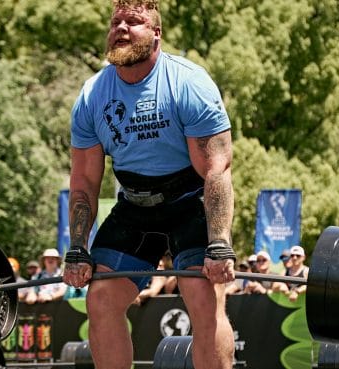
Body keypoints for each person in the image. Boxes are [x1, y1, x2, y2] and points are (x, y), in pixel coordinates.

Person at [63, 1, 236, 368]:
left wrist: (219, 242)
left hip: (189, 202)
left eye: (134, 22)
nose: (121, 28)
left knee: (204, 300)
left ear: (156, 33)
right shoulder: (93, 94)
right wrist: (78, 246)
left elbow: (217, 169)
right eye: (116, 22)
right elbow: (84, 181)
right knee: (101, 299)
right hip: (134, 208)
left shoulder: (189, 83)